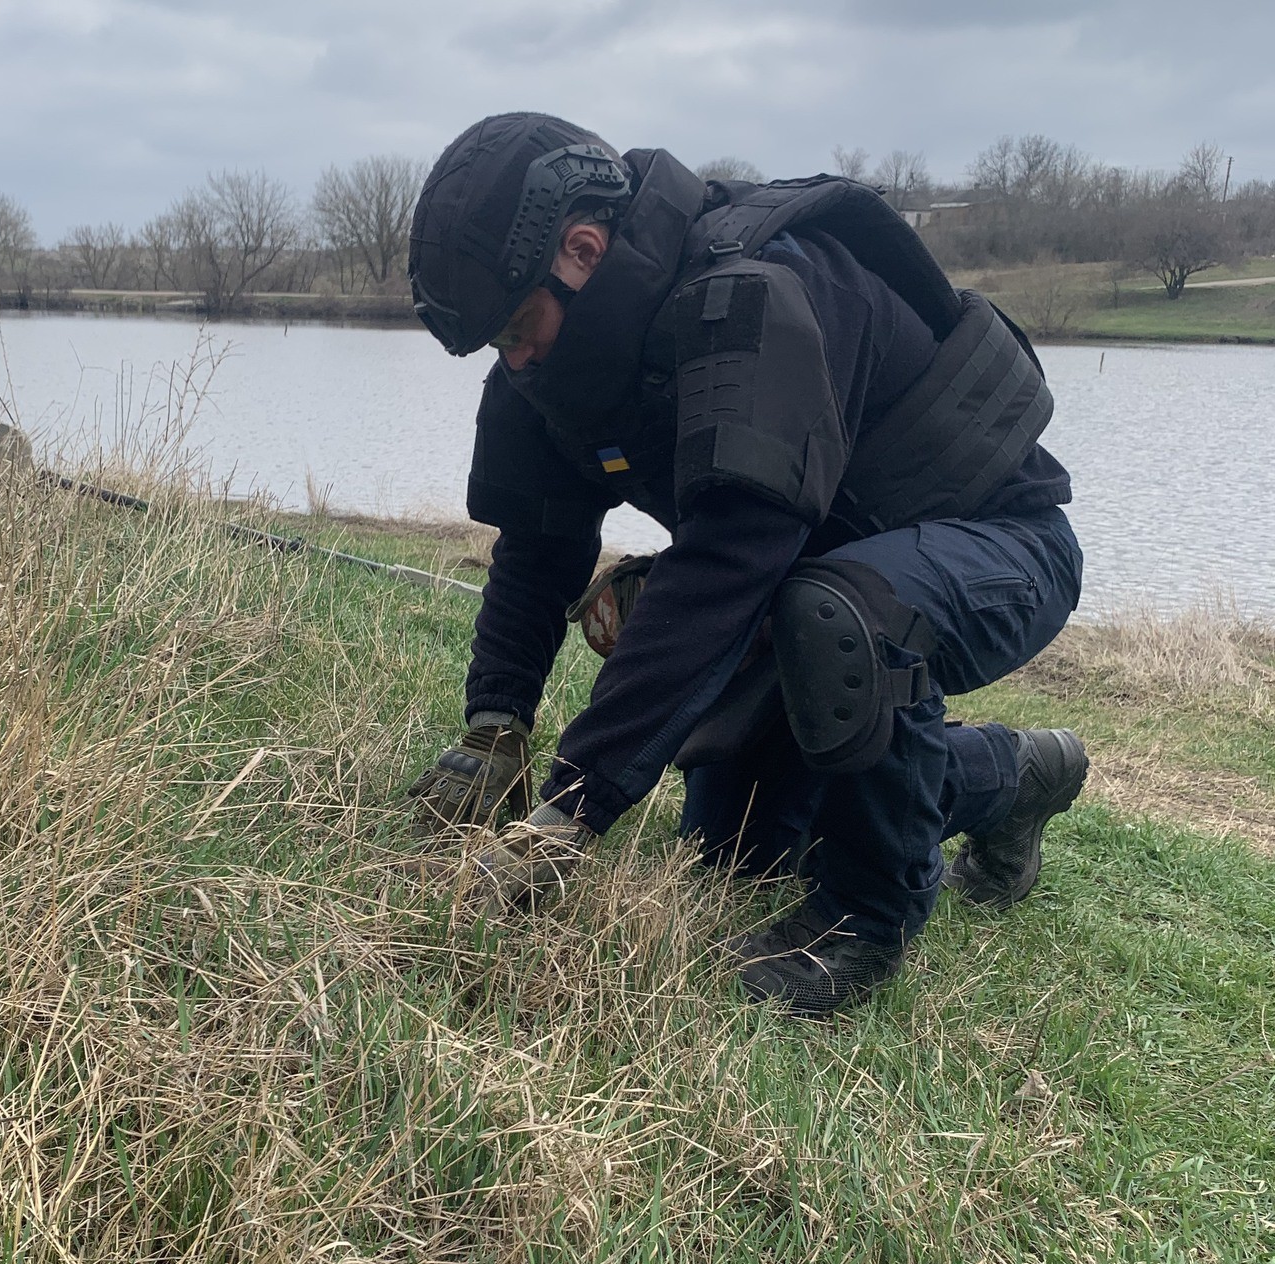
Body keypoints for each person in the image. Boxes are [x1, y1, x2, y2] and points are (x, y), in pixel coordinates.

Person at [404, 112, 1088, 1016]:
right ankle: (1014, 777)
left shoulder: (755, 297)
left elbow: (733, 558)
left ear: (580, 249)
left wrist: (571, 810)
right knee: (745, 852)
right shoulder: (547, 370)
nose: (516, 357)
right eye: (497, 344)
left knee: (839, 614)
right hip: (819, 567)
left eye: (519, 327)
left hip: (999, 544)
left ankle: (865, 925)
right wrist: (497, 725)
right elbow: (536, 547)